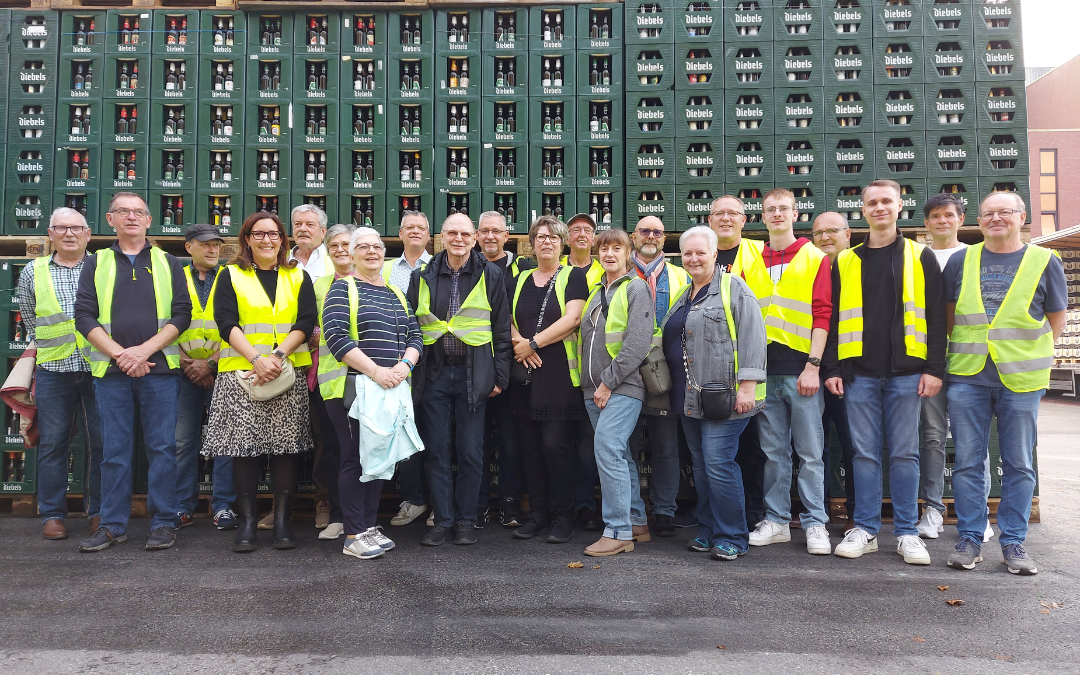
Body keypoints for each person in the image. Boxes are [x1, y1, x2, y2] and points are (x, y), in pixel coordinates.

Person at [824, 180, 947, 566]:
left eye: (886, 202)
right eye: (872, 203)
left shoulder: (920, 255)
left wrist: (934, 369)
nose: (879, 208)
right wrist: (832, 367)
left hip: (907, 372)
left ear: (900, 207)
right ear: (863, 211)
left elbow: (936, 317)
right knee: (862, 454)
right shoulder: (846, 260)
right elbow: (830, 319)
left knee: (905, 453)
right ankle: (867, 529)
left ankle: (908, 533)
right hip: (858, 372)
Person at [944, 192, 1066, 575]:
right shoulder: (963, 259)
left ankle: (1013, 542)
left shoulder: (1046, 261)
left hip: (1022, 379)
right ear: (978, 221)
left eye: (1005, 212)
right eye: (988, 214)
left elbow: (1056, 318)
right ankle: (970, 537)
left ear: (1022, 217)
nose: (996, 218)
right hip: (968, 375)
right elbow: (950, 317)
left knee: (1019, 464)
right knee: (967, 461)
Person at [74, 192, 192, 552]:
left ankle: (163, 522)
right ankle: (111, 524)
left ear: (149, 219)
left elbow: (182, 314)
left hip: (160, 372)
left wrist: (142, 351)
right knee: (114, 451)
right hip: (111, 373)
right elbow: (84, 316)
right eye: (123, 212)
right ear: (110, 220)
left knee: (162, 448)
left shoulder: (169, 262)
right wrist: (121, 355)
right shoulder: (96, 263)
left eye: (138, 212)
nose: (131, 217)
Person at [203, 212, 317, 553]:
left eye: (274, 235)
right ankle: (248, 523)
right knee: (244, 449)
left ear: (283, 240)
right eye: (259, 234)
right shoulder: (231, 274)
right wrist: (257, 358)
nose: (267, 240)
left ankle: (281, 520)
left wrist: (277, 357)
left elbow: (306, 319)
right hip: (242, 374)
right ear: (247, 239)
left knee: (286, 449)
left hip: (286, 371)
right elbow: (225, 321)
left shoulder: (297, 275)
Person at [661, 225, 767, 560]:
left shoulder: (733, 288)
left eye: (700, 252)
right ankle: (707, 531)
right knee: (703, 464)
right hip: (690, 397)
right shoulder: (685, 292)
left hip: (726, 395)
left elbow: (753, 336)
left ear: (714, 254)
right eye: (687, 253)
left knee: (719, 463)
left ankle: (733, 536)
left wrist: (747, 386)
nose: (693, 258)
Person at [406, 213, 513, 546]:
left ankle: (466, 520)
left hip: (474, 373)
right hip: (434, 373)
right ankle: (443, 520)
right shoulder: (422, 275)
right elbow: (412, 324)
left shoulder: (490, 274)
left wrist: (499, 376)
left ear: (475, 237)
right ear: (441, 237)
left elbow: (501, 328)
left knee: (470, 451)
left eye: (465, 234)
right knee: (436, 450)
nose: (459, 239)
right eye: (452, 232)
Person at [321, 227, 424, 560]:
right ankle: (353, 534)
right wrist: (377, 371)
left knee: (379, 458)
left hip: (388, 387)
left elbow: (415, 336)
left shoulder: (395, 292)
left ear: (384, 253)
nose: (371, 252)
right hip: (353, 388)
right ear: (351, 255)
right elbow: (337, 338)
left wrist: (404, 367)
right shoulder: (342, 289)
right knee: (355, 457)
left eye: (376, 247)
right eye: (362, 247)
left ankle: (365, 526)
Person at [742, 189, 834, 555]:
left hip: (801, 372)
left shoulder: (814, 258)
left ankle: (815, 524)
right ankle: (778, 520)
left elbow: (823, 313)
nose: (777, 214)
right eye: (770, 210)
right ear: (762, 216)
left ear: (796, 213)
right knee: (773, 453)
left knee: (811, 454)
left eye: (783, 208)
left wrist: (813, 365)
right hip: (765, 372)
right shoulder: (754, 260)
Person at [18, 208, 102, 541]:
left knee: (102, 444)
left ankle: (98, 512)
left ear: (88, 233)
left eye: (76, 228)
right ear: (50, 234)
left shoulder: (104, 268)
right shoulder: (32, 270)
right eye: (61, 228)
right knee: (53, 444)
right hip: (53, 370)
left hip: (98, 369)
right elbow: (30, 320)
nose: (69, 234)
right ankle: (52, 514)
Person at [507, 216, 588, 543]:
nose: (546, 242)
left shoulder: (574, 277)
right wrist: (520, 345)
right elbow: (505, 317)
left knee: (555, 447)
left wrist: (534, 343)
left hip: (557, 375)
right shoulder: (520, 278)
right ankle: (537, 515)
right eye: (540, 237)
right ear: (532, 243)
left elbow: (573, 319)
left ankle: (561, 517)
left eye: (553, 237)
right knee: (529, 448)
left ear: (562, 243)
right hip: (524, 372)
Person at [578, 229, 656, 556]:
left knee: (608, 448)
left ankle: (618, 530)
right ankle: (636, 521)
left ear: (628, 253)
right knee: (620, 453)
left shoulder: (636, 288)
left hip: (622, 385)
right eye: (604, 249)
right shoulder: (598, 291)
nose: (609, 254)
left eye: (616, 248)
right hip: (593, 389)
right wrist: (592, 384)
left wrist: (608, 382)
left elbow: (636, 344)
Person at [917, 193, 989, 543]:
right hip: (929, 361)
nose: (942, 221)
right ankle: (933, 508)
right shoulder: (916, 257)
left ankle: (978, 513)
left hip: (969, 361)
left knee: (970, 440)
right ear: (926, 223)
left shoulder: (975, 257)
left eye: (949, 215)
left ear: (962, 219)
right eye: (935, 216)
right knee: (931, 436)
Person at [708, 194, 768, 527]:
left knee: (753, 448)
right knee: (715, 453)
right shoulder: (702, 255)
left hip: (749, 369)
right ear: (709, 220)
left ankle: (755, 513)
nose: (726, 219)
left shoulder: (759, 253)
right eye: (720, 213)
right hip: (711, 372)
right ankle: (722, 515)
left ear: (745, 220)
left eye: (734, 213)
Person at [629, 216, 690, 537]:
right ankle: (630, 509)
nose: (650, 236)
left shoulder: (680, 275)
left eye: (657, 231)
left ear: (664, 239)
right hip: (623, 370)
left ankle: (664, 510)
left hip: (662, 373)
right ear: (633, 237)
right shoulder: (617, 271)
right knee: (623, 446)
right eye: (644, 231)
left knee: (666, 445)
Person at [174, 224, 235, 531]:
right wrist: (185, 362)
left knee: (224, 440)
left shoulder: (231, 276)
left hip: (220, 370)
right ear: (189, 248)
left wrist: (209, 364)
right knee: (182, 441)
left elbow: (242, 323)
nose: (213, 250)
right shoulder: (175, 276)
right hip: (182, 371)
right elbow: (162, 319)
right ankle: (182, 506)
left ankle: (222, 505)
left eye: (216, 245)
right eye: (206, 245)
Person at [477, 210, 535, 527]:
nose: (490, 237)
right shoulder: (468, 268)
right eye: (484, 231)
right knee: (478, 441)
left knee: (512, 441)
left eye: (495, 231)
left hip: (514, 367)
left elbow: (524, 313)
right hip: (476, 366)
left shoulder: (522, 268)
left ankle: (510, 504)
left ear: (506, 236)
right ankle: (478, 505)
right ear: (477, 236)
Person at [383, 210, 433, 528]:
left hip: (432, 362)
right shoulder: (385, 268)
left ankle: (438, 501)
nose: (415, 231)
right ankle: (414, 498)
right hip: (391, 364)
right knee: (403, 433)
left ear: (430, 236)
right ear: (399, 233)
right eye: (409, 227)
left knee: (435, 434)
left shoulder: (440, 266)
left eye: (421, 228)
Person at [309, 223, 358, 541]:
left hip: (364, 378)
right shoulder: (319, 285)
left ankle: (359, 517)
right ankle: (338, 515)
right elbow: (307, 326)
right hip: (327, 379)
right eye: (334, 246)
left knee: (360, 451)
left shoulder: (372, 281)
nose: (340, 250)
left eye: (345, 244)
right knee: (332, 448)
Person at [811, 212, 856, 521]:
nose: (825, 237)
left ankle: (857, 514)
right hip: (813, 371)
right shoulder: (811, 268)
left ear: (848, 234)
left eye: (832, 231)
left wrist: (834, 368)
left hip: (848, 373)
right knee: (817, 447)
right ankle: (820, 514)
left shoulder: (856, 268)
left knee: (854, 447)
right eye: (819, 233)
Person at [562, 213, 603, 531]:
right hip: (561, 368)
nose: (580, 234)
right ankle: (562, 504)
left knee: (590, 443)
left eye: (587, 230)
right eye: (574, 229)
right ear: (566, 237)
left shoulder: (607, 268)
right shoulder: (556, 270)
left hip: (595, 370)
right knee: (561, 441)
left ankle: (585, 504)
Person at [290, 203, 331, 281]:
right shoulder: (282, 258)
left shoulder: (334, 258)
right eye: (297, 224)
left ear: (323, 231)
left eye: (310, 224)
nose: (302, 229)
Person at [562, 213, 605, 287]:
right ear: (567, 239)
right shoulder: (556, 268)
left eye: (587, 230)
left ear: (593, 241)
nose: (582, 234)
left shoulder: (603, 272)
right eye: (576, 230)